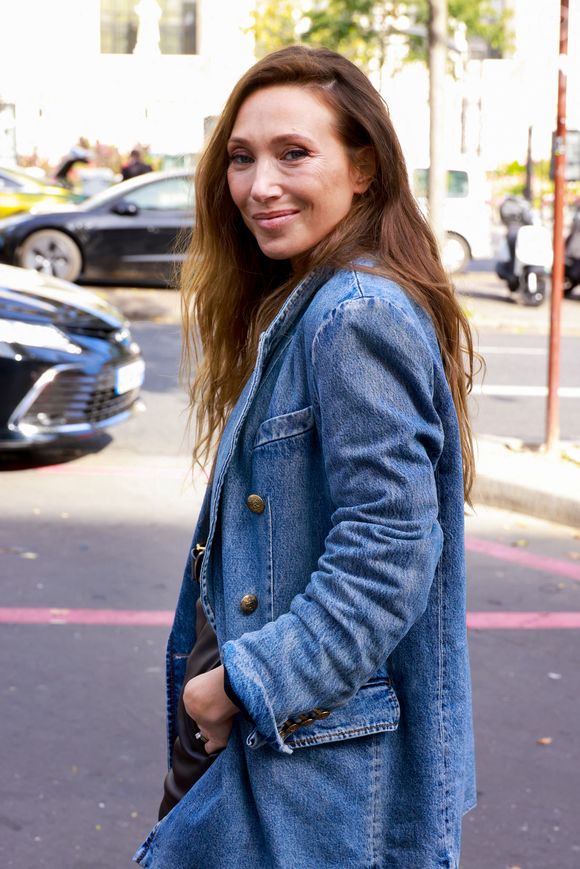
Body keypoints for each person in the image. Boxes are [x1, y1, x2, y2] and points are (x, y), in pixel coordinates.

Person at [134, 44, 476, 869]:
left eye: (294, 153)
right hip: (290, 760)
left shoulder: (353, 316)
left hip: (316, 779)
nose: (260, 186)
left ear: (363, 169)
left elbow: (388, 554)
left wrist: (239, 686)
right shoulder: (309, 303)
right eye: (241, 159)